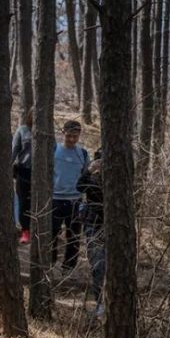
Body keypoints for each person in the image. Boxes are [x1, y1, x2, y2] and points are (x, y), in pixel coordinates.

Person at [53, 119, 90, 270]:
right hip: (54, 199)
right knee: (52, 234)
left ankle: (68, 269)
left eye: (75, 136)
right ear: (63, 133)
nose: (72, 139)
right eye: (69, 136)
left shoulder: (82, 153)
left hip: (75, 200)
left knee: (74, 237)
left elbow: (86, 176)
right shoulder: (53, 149)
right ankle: (50, 265)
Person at [77, 157, 105, 316]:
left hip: (113, 225)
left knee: (109, 264)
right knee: (98, 264)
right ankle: (100, 303)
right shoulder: (91, 175)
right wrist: (89, 170)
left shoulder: (120, 175)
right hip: (92, 224)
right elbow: (79, 186)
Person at [12, 111, 33, 245]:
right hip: (24, 171)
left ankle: (38, 230)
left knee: (38, 202)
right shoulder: (22, 131)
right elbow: (14, 150)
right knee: (23, 202)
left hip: (41, 173)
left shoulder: (48, 130)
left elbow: (53, 150)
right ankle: (25, 231)